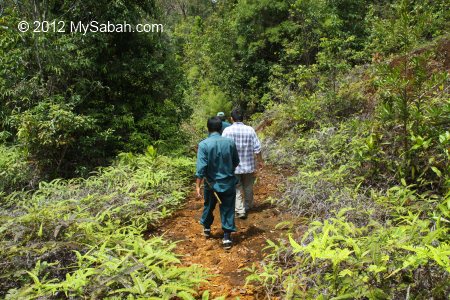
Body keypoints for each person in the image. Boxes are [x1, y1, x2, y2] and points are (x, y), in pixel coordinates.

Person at [195, 116, 240, 249]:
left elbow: (201, 168)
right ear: (221, 128)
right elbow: (236, 161)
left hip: (211, 184)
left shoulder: (203, 144)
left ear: (208, 128)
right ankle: (226, 237)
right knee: (228, 208)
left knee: (209, 206)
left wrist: (198, 185)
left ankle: (207, 228)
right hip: (228, 182)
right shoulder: (230, 143)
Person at [222, 108, 263, 219]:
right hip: (249, 165)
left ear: (231, 119)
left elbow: (223, 149)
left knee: (237, 187)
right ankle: (248, 206)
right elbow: (257, 148)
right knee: (248, 187)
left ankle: (240, 210)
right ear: (242, 118)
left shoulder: (227, 131)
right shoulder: (250, 130)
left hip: (233, 166)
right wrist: (260, 161)